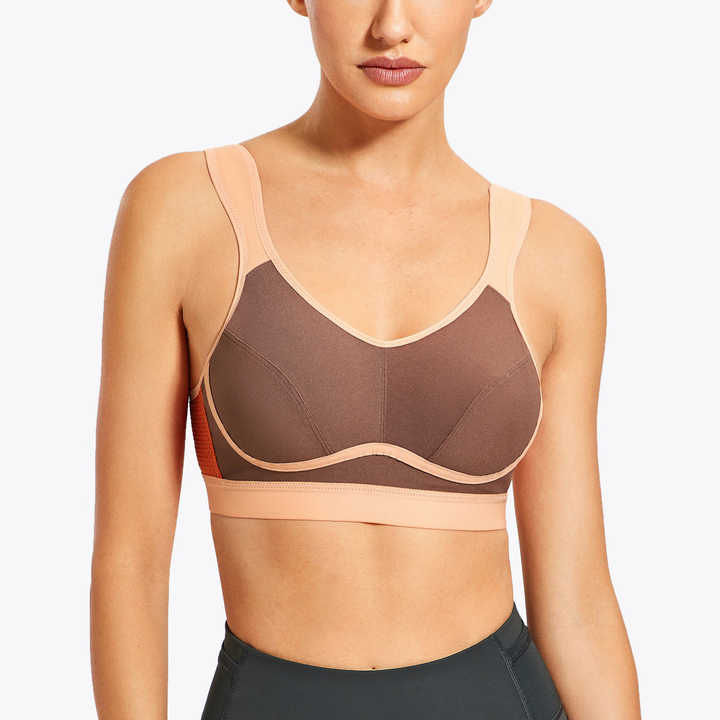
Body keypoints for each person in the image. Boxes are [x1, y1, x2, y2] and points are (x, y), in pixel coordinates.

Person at [91, 1, 641, 718]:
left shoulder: (555, 257)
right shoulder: (184, 210)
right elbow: (130, 566)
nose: (392, 26)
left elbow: (577, 599)